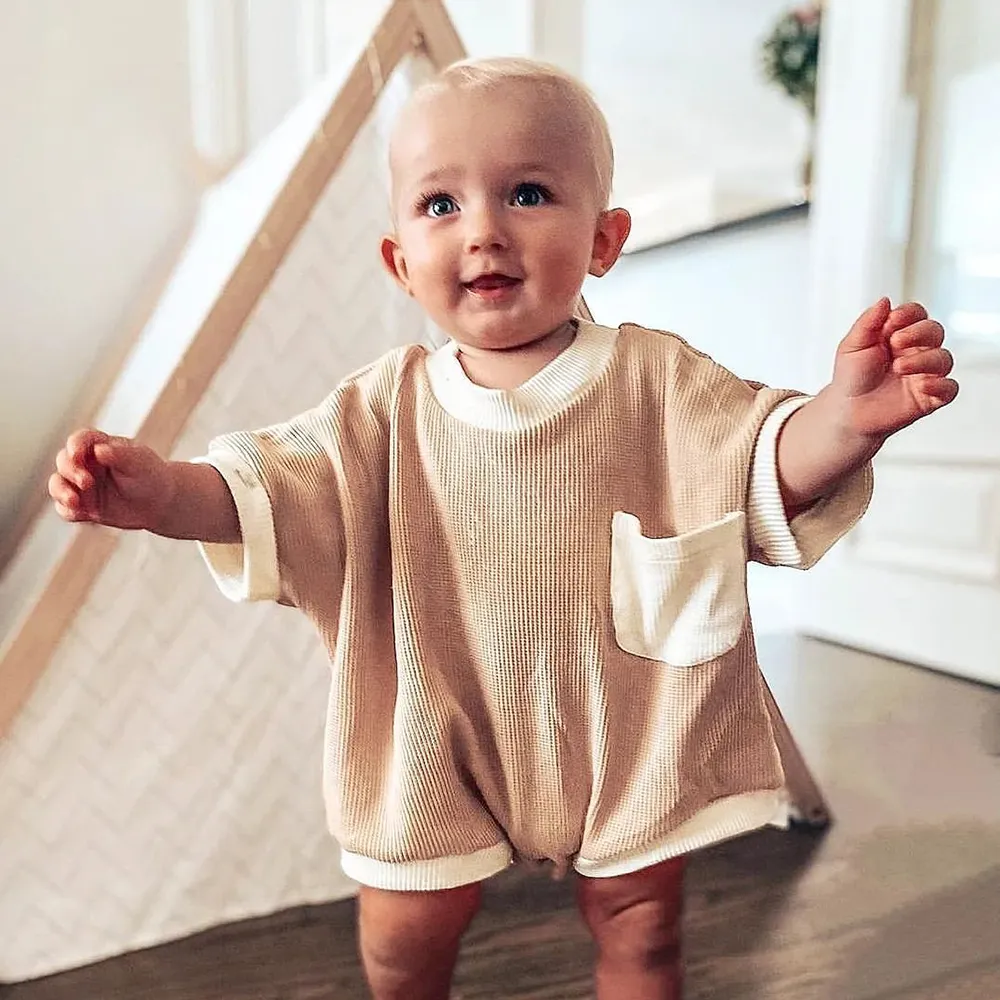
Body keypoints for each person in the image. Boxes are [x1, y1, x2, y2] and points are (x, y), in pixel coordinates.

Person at [49, 57, 957, 1000]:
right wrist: (162, 495)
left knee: (643, 933)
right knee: (403, 941)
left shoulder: (656, 379)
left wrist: (843, 420)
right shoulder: (378, 412)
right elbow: (266, 492)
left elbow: (759, 461)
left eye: (527, 193)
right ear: (401, 263)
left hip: (629, 725)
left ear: (603, 240)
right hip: (430, 727)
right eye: (440, 204)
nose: (483, 230)